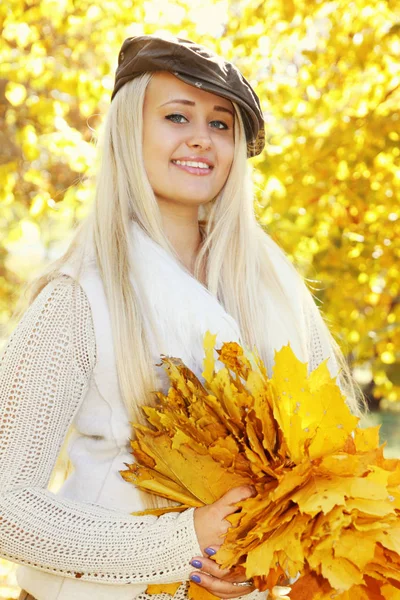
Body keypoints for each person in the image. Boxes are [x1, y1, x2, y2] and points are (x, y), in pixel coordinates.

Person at [0, 34, 363, 600]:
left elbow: (332, 463)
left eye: (221, 124)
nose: (202, 138)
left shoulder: (274, 288)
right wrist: (183, 540)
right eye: (176, 115)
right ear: (128, 129)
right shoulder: (79, 295)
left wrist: (266, 558)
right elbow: (6, 504)